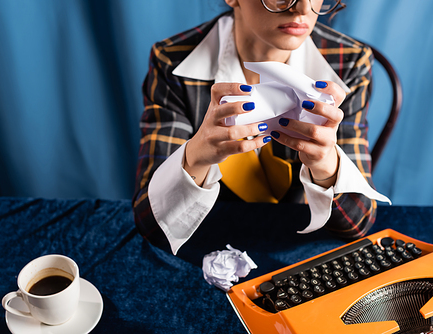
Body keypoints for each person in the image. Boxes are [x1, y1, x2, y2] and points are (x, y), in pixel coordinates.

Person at [132, 0, 389, 255]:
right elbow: (151, 224)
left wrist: (327, 166)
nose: (302, 9)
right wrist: (196, 155)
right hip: (203, 241)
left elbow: (357, 222)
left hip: (295, 243)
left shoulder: (349, 61)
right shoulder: (173, 61)